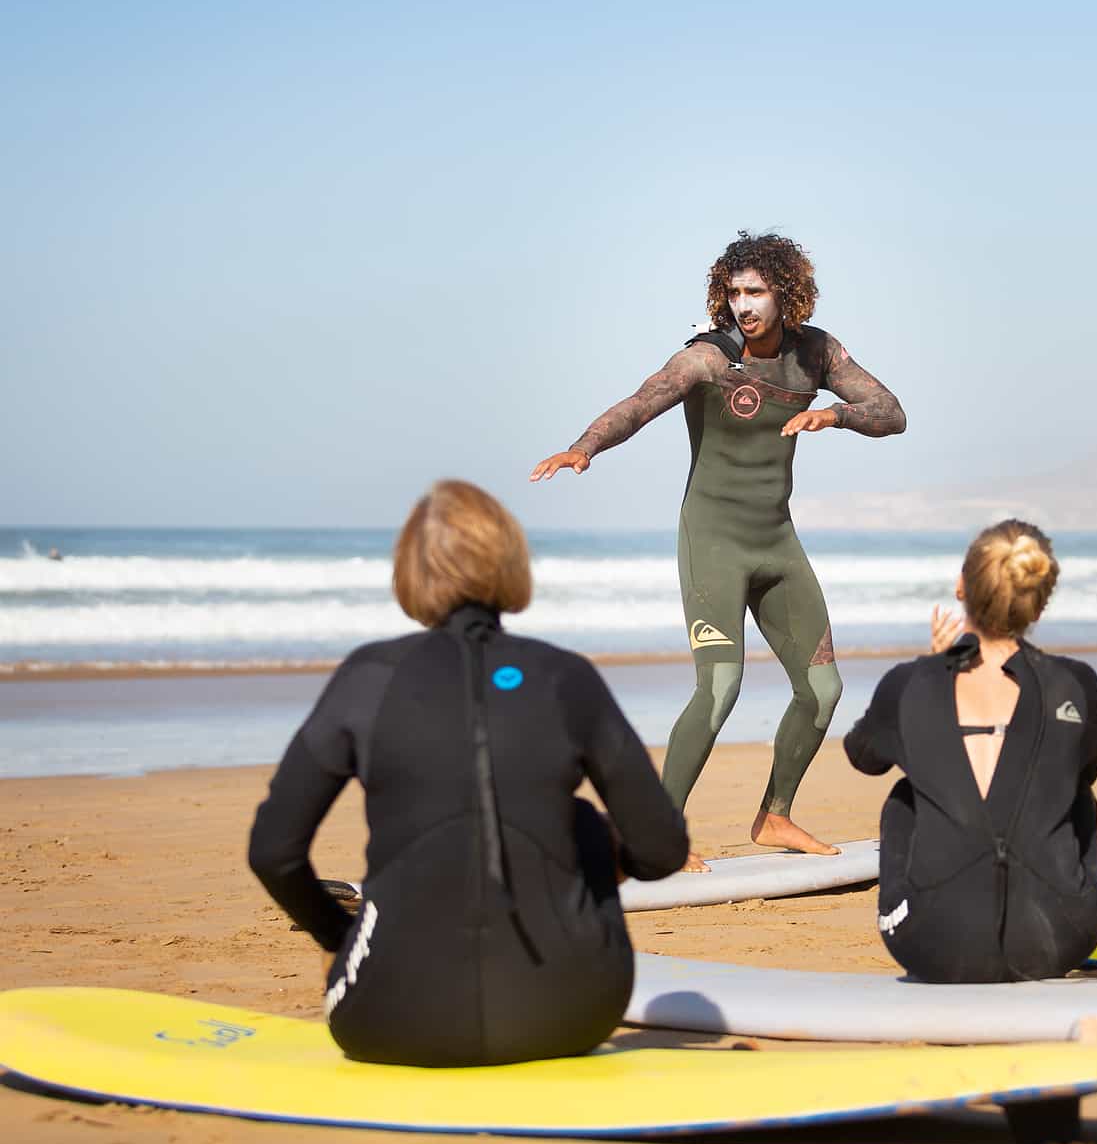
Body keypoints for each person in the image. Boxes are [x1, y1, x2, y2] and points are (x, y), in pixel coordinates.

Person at [247, 481, 692, 1067]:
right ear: (511, 561)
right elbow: (661, 850)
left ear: (409, 572)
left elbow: (273, 852)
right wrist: (594, 857)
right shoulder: (564, 677)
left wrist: (339, 937)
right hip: (573, 1016)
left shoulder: (368, 677)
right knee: (582, 822)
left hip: (390, 1024)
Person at [531, 232, 905, 867]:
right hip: (713, 542)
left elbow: (890, 412)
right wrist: (585, 447)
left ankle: (775, 815)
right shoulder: (707, 359)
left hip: (777, 542)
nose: (743, 305)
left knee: (823, 690)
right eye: (734, 293)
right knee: (721, 685)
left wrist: (833, 417)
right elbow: (641, 403)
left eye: (756, 291)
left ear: (787, 293)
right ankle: (655, 834)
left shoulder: (817, 353)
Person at [843, 521, 1097, 983]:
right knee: (1076, 794)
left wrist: (935, 669)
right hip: (1059, 939)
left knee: (905, 797)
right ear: (1038, 604)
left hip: (933, 943)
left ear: (961, 588)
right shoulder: (1075, 683)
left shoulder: (912, 684)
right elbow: (1090, 763)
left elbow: (863, 756)